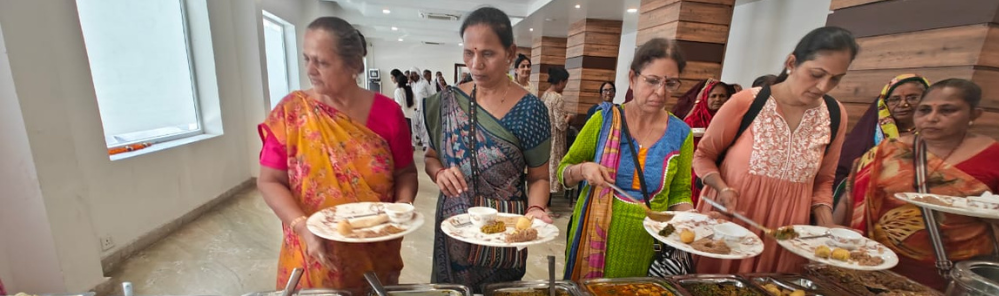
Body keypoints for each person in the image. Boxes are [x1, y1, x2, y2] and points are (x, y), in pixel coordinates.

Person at [256, 17, 418, 294]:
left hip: (374, 247)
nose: (310, 70)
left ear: (353, 65)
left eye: (322, 62)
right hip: (312, 249)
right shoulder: (292, 112)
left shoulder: (388, 113)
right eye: (306, 59)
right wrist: (301, 226)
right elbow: (269, 180)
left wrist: (401, 208)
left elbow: (406, 173)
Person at [693, 26, 856, 274]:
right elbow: (704, 155)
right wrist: (721, 187)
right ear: (791, 62)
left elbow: (823, 181)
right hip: (731, 224)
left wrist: (827, 225)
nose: (823, 86)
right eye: (816, 74)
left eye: (835, 78)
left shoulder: (835, 115)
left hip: (786, 234)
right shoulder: (746, 102)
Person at [422, 7, 553, 293]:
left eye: (488, 53)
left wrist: (534, 208)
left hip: (503, 233)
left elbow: (540, 177)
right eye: (469, 53)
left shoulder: (531, 110)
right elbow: (431, 158)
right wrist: (440, 173)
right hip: (454, 227)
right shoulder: (449, 102)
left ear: (510, 52)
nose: (476, 64)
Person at [842, 79, 999, 291]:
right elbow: (851, 197)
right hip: (875, 266)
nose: (932, 118)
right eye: (924, 110)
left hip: (953, 277)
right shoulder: (889, 149)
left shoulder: (992, 156)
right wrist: (833, 244)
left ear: (974, 114)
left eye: (947, 110)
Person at [561, 38, 694, 281]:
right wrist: (583, 169)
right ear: (633, 78)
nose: (661, 92)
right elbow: (564, 172)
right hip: (594, 244)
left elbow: (680, 192)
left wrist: (694, 220)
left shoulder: (681, 133)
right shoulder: (604, 121)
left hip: (649, 249)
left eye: (670, 83)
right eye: (652, 81)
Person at [832, 74, 930, 223]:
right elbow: (843, 172)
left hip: (914, 211)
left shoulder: (933, 137)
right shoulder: (870, 133)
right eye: (895, 99)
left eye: (912, 98)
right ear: (884, 103)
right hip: (863, 205)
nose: (903, 104)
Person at [680, 79, 734, 204]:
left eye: (722, 96)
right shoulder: (693, 121)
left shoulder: (733, 121)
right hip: (695, 173)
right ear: (706, 98)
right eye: (713, 96)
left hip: (723, 175)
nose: (718, 99)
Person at [542, 67, 572, 196]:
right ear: (560, 81)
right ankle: (547, 206)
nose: (565, 86)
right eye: (565, 82)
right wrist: (569, 118)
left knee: (545, 169)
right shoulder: (558, 98)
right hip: (555, 139)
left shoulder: (545, 95)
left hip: (545, 137)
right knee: (553, 171)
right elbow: (561, 124)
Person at [394, 75, 418, 146]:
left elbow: (399, 104)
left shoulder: (398, 91)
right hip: (411, 115)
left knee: (403, 134)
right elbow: (415, 103)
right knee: (410, 133)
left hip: (403, 115)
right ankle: (411, 146)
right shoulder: (409, 89)